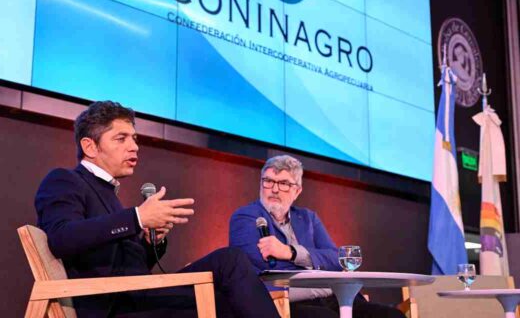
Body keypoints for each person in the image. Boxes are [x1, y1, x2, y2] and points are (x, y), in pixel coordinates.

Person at [35, 101, 280, 318]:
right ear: (90, 147)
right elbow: (60, 238)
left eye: (134, 138)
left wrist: (151, 243)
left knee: (229, 278)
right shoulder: (65, 180)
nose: (134, 147)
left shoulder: (109, 193)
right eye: (121, 139)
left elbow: (128, 266)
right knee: (230, 271)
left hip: (137, 297)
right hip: (112, 307)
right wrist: (138, 218)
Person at [229, 155, 406, 318]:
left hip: (333, 298)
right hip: (286, 302)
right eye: (268, 181)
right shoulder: (245, 217)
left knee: (392, 316)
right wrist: (324, 280)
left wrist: (291, 252)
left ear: (297, 191)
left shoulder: (308, 218)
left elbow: (336, 259)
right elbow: (264, 267)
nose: (274, 189)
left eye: (284, 183)